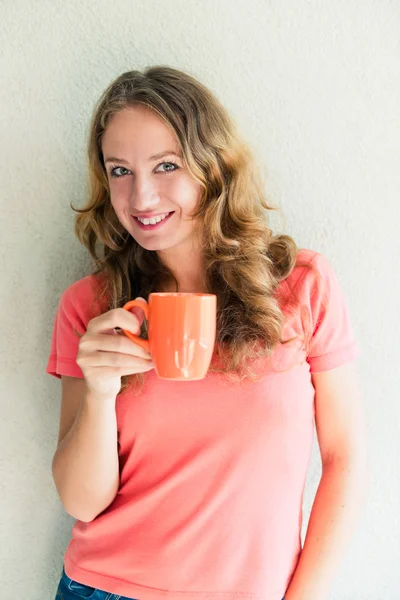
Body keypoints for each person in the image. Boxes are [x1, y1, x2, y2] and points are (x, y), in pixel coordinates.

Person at [47, 66, 368, 600]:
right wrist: (101, 393)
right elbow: (81, 502)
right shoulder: (90, 306)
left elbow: (344, 458)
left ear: (212, 165)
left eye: (166, 165)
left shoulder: (302, 286)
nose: (141, 196)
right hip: (103, 590)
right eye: (120, 170)